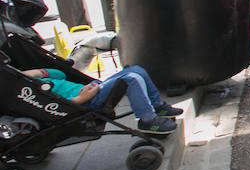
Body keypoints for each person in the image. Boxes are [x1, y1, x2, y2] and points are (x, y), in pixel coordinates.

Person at [21, 65, 183, 134]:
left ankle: (157, 105)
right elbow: (51, 106)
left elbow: (60, 74)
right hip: (85, 100)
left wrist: (38, 72)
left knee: (136, 69)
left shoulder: (35, 80)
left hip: (92, 88)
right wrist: (79, 99)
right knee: (131, 78)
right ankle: (148, 119)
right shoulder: (30, 91)